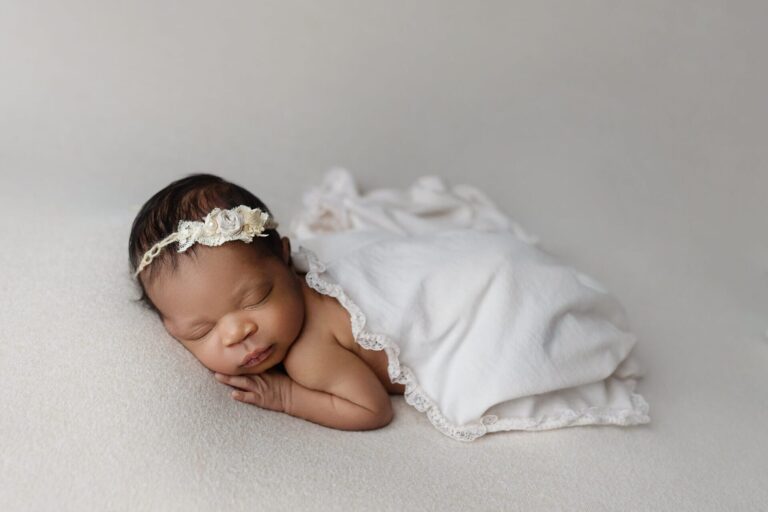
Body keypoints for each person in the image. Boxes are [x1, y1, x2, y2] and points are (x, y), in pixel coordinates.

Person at [129, 172, 649, 442]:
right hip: (471, 262)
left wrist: (287, 397)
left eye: (256, 298)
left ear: (287, 260)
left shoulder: (311, 353)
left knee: (512, 320)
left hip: (487, 294)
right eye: (200, 331)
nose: (238, 331)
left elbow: (370, 410)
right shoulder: (272, 305)